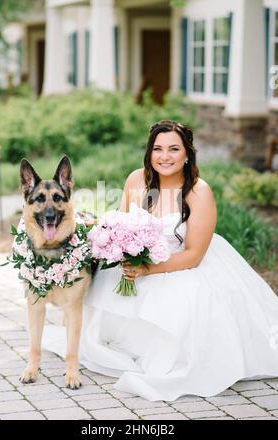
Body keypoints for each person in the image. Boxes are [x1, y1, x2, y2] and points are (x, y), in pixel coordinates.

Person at [42, 120, 278, 402]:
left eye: (174, 149)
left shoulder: (198, 192)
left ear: (187, 153)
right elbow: (122, 227)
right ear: (149, 152)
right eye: (158, 149)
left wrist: (147, 270)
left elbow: (194, 255)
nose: (164, 157)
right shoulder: (135, 180)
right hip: (138, 263)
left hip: (182, 263)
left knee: (182, 305)